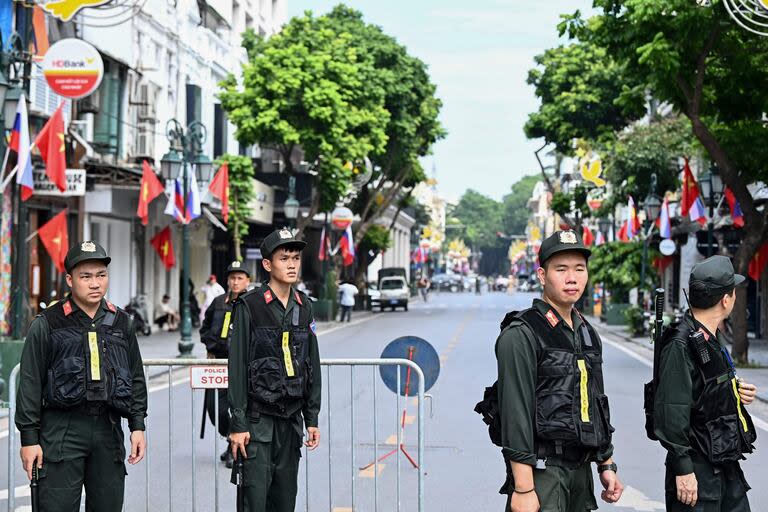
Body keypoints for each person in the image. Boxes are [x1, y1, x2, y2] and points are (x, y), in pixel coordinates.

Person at [15, 240, 148, 511]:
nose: (95, 283)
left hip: (107, 432)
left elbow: (134, 375)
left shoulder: (122, 323)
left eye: (101, 275)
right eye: (85, 276)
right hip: (61, 433)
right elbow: (29, 382)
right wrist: (29, 440)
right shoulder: (48, 323)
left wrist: (137, 425)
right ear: (70, 279)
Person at [495, 230, 623, 512]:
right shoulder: (522, 333)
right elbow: (515, 413)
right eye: (561, 269)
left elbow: (595, 401)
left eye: (579, 269)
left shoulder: (587, 332)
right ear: (542, 275)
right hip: (542, 473)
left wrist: (605, 463)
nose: (572, 278)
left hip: (580, 474)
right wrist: (524, 487)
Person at [652, 256, 758, 511]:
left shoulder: (708, 337)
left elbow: (704, 387)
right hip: (697, 471)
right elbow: (671, 410)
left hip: (725, 463)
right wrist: (684, 470)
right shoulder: (680, 344)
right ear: (725, 299)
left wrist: (734, 391)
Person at [228, 228, 321, 511]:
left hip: (291, 421)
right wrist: (239, 423)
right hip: (258, 423)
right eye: (284, 258)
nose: (292, 264)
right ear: (268, 264)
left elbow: (311, 363)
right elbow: (238, 367)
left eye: (295, 257)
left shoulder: (305, 307)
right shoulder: (250, 306)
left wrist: (312, 416)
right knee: (254, 502)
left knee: (284, 501)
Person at [199, 260, 251, 468]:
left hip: (242, 366)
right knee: (215, 409)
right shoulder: (218, 302)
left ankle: (234, 446)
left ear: (248, 280)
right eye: (232, 278)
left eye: (240, 278)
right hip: (218, 364)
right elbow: (205, 327)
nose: (236, 282)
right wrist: (211, 346)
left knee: (239, 408)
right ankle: (230, 438)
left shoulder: (252, 303)